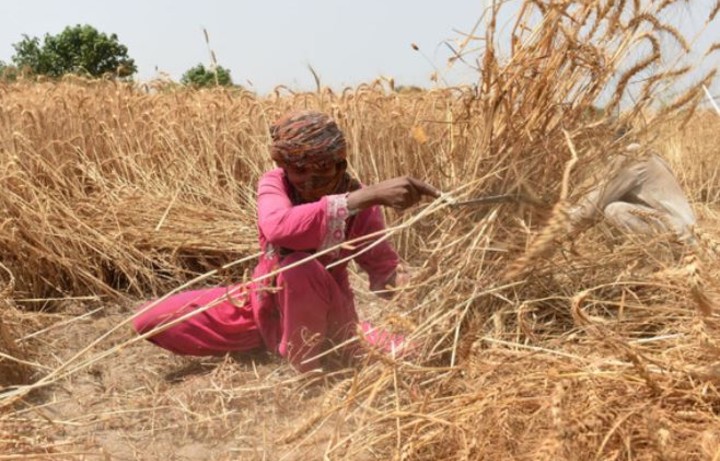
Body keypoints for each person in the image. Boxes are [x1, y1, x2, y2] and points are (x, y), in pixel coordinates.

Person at [133, 110, 440, 372]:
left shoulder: (361, 204)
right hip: (262, 307)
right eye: (299, 170)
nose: (310, 179)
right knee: (150, 319)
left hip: (329, 322)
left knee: (299, 268)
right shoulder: (277, 183)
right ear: (284, 167)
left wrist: (430, 292)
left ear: (341, 165)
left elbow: (383, 270)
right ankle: (273, 342)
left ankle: (309, 368)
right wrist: (365, 197)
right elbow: (279, 228)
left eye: (323, 168)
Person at [567, 143, 696, 244]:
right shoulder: (645, 155)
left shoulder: (632, 157)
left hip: (680, 234)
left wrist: (562, 226)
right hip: (679, 229)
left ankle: (664, 257)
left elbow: (593, 206)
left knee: (614, 210)